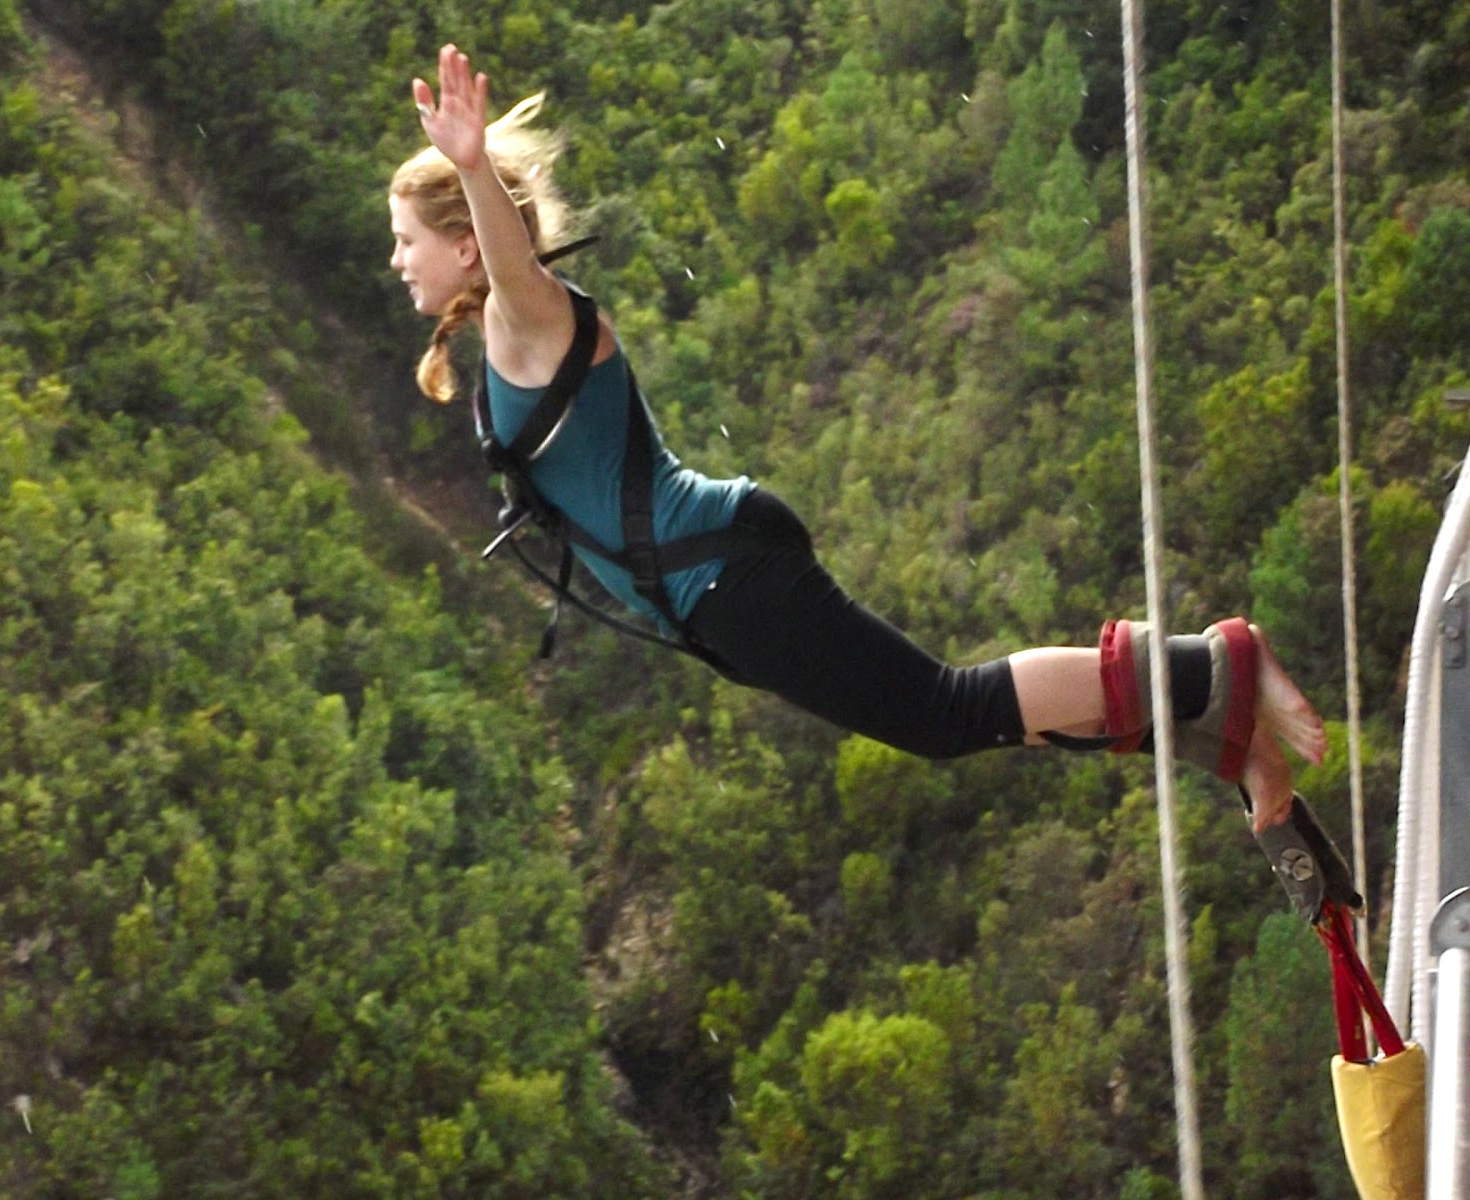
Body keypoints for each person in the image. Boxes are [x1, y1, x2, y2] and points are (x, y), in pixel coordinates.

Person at [390, 44, 1328, 833]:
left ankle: (1216, 667)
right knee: (958, 722)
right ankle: (1224, 739)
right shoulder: (504, 341)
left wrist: (473, 167)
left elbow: (511, 266)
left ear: (467, 245)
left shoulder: (526, 319)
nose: (397, 261)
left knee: (947, 710)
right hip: (718, 592)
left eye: (407, 241)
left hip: (726, 574)